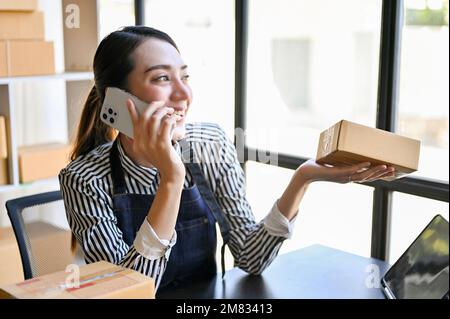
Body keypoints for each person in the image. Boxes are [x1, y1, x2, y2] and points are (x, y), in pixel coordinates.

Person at [59, 26, 395, 293]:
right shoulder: (84, 178)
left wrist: (303, 178)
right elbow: (128, 293)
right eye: (162, 78)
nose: (184, 94)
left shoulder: (210, 143)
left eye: (185, 76)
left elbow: (251, 258)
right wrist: (171, 179)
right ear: (117, 101)